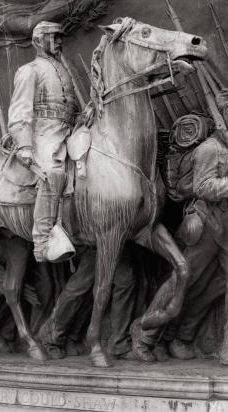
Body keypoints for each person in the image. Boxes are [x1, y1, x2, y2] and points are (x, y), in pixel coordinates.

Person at [130, 114, 228, 364]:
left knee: (216, 287)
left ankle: (183, 337)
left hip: (225, 229)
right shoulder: (210, 149)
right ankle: (145, 335)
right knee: (182, 281)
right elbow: (203, 187)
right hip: (208, 224)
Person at [7, 21, 78, 263]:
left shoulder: (62, 70)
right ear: (38, 41)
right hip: (43, 134)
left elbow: (69, 107)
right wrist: (25, 145)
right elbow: (19, 112)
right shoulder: (30, 70)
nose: (59, 41)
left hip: (69, 130)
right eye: (54, 37)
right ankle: (43, 241)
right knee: (53, 173)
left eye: (61, 37)